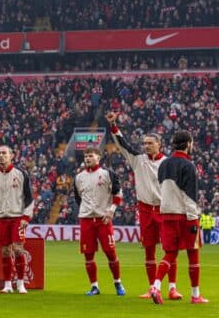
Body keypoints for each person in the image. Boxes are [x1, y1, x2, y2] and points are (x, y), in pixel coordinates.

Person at [106, 112, 182, 300]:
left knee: (169, 250)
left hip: (165, 210)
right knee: (149, 249)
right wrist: (113, 125)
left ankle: (172, 288)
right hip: (146, 210)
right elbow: (122, 145)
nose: (146, 146)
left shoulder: (169, 163)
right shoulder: (138, 159)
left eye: (150, 143)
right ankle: (151, 288)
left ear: (159, 144)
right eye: (145, 143)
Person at [149, 130, 208, 304]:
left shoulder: (164, 164)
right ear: (188, 143)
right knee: (193, 254)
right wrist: (193, 218)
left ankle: (156, 286)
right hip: (184, 215)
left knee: (170, 254)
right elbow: (190, 195)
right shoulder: (188, 165)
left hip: (166, 214)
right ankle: (195, 295)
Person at [73, 147, 126, 296]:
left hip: (103, 219)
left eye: (90, 156)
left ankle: (118, 283)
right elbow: (79, 198)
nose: (87, 159)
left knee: (110, 253)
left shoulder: (107, 174)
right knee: (88, 255)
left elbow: (118, 193)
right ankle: (94, 286)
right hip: (86, 220)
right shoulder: (79, 178)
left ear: (99, 158)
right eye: (86, 156)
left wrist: (111, 210)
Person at [0, 145, 34, 294]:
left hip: (17, 218)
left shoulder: (20, 174)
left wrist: (26, 216)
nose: (1, 156)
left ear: (11, 156)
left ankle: (20, 283)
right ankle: (7, 284)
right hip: (0, 219)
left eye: (4, 153)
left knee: (18, 249)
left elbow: (30, 198)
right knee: (5, 251)